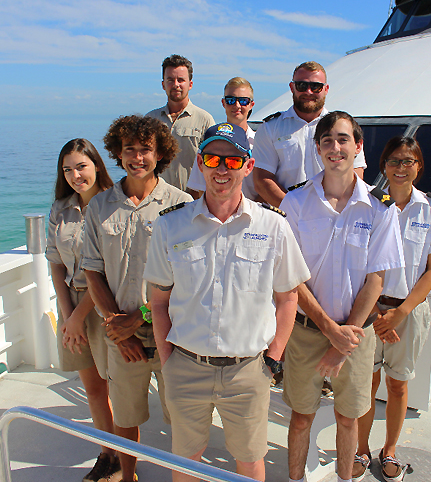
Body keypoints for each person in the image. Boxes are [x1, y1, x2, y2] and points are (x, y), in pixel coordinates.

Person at [143, 122, 311, 482]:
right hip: (185, 366)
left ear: (248, 167)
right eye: (213, 159)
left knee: (250, 459)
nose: (222, 169)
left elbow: (288, 297)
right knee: (186, 459)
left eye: (233, 161)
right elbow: (158, 301)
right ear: (199, 164)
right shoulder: (170, 227)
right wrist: (169, 360)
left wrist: (273, 358)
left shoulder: (273, 226)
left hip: (248, 370)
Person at [279, 111, 404, 482]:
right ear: (317, 148)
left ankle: (345, 479)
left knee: (348, 418)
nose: (336, 147)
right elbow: (291, 278)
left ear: (358, 146)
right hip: (306, 331)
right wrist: (328, 330)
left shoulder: (380, 207)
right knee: (301, 417)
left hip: (356, 336)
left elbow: (375, 280)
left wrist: (343, 338)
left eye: (343, 139)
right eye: (327, 140)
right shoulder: (296, 202)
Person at [81, 115, 192, 482]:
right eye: (129, 149)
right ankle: (128, 477)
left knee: (180, 419)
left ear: (160, 152)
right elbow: (93, 271)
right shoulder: (99, 207)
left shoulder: (181, 204)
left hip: (171, 333)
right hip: (119, 335)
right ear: (117, 152)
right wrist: (118, 326)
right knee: (126, 418)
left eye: (145, 149)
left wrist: (142, 317)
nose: (137, 157)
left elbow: (188, 277)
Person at [354, 137, 431, 482]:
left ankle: (390, 451)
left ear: (419, 166)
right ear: (383, 165)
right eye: (394, 161)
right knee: (365, 383)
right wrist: (377, 315)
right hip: (370, 310)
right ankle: (361, 449)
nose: (401, 168)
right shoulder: (367, 205)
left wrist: (400, 313)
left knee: (397, 385)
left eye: (408, 161)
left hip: (409, 312)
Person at [46, 138, 120, 482]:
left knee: (117, 386)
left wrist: (78, 316)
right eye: (68, 169)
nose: (76, 175)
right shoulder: (61, 208)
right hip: (71, 305)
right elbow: (56, 263)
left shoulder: (112, 204)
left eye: (82, 166)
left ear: (97, 165)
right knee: (93, 389)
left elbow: (105, 268)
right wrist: (67, 313)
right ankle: (108, 455)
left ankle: (126, 457)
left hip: (104, 303)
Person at [253, 61, 367, 207]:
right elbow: (262, 180)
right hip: (285, 218)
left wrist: (330, 210)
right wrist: (295, 211)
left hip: (332, 216)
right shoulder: (270, 128)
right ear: (292, 87)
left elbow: (356, 173)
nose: (308, 92)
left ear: (326, 89)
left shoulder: (346, 128)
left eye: (316, 87)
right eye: (301, 85)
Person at [146, 54, 214, 194]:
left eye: (181, 80)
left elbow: (212, 163)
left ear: (190, 84)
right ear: (163, 84)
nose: (176, 84)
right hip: (156, 200)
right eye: (170, 80)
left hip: (192, 201)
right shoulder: (150, 119)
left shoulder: (205, 120)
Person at [186, 76, 259, 200]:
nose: (237, 105)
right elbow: (197, 190)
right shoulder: (209, 145)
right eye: (231, 100)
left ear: (251, 104)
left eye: (243, 101)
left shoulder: (262, 144)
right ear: (223, 103)